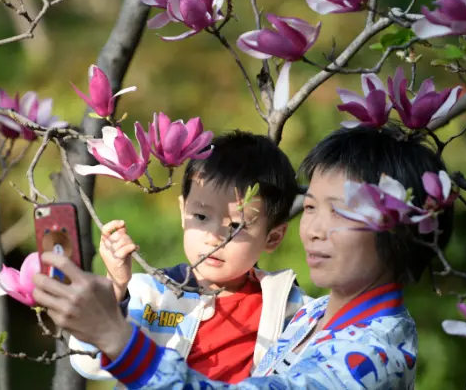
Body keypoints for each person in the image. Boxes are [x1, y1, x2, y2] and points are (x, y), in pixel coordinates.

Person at [35, 124, 454, 389]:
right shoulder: (316, 315)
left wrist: (117, 338)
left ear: (402, 226)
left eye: (342, 211)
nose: (316, 229)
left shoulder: (375, 354)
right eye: (311, 207)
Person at [69, 131, 308, 383]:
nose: (213, 237)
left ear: (272, 238)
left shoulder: (287, 306)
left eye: (236, 226)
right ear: (184, 212)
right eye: (202, 217)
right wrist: (115, 289)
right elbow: (88, 362)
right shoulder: (149, 295)